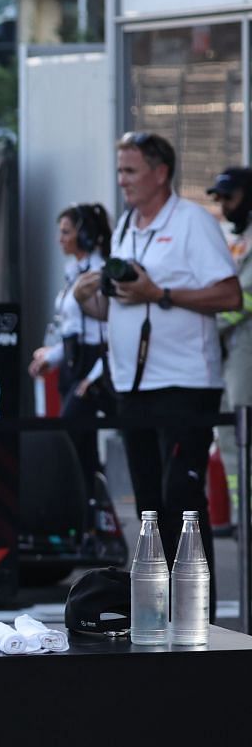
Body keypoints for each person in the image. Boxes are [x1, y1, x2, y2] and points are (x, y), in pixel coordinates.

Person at [73, 132, 243, 583]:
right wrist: (83, 296)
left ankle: (195, 615)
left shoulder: (191, 221)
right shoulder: (128, 224)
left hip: (185, 383)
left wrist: (160, 293)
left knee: (181, 497)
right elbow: (119, 307)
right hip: (132, 384)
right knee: (149, 504)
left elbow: (230, 294)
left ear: (160, 172)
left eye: (130, 171)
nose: (121, 181)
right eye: (119, 171)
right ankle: (157, 609)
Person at [30, 203, 112, 499]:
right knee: (83, 448)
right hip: (73, 365)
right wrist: (50, 357)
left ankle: (87, 510)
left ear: (87, 236)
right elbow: (71, 330)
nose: (60, 239)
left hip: (93, 367)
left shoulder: (99, 273)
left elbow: (109, 331)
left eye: (66, 232)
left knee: (70, 437)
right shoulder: (73, 273)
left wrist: (95, 375)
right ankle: (89, 518)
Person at [208, 168, 252, 462]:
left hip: (245, 353)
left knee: (242, 431)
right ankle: (240, 509)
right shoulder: (234, 237)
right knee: (230, 436)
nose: (224, 207)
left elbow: (243, 298)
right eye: (220, 199)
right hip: (229, 351)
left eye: (230, 198)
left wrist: (207, 325)